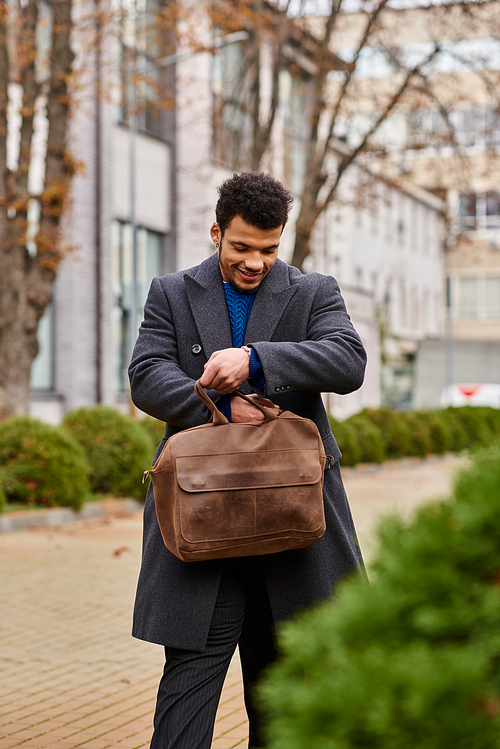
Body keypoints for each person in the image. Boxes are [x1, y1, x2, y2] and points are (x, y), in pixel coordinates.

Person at [129, 171, 367, 749]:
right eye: (241, 247)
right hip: (201, 524)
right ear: (217, 232)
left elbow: (348, 361)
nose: (255, 261)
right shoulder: (172, 292)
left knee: (284, 699)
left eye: (269, 249)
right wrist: (214, 402)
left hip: (292, 526)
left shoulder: (315, 293)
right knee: (185, 701)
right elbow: (145, 375)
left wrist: (255, 361)